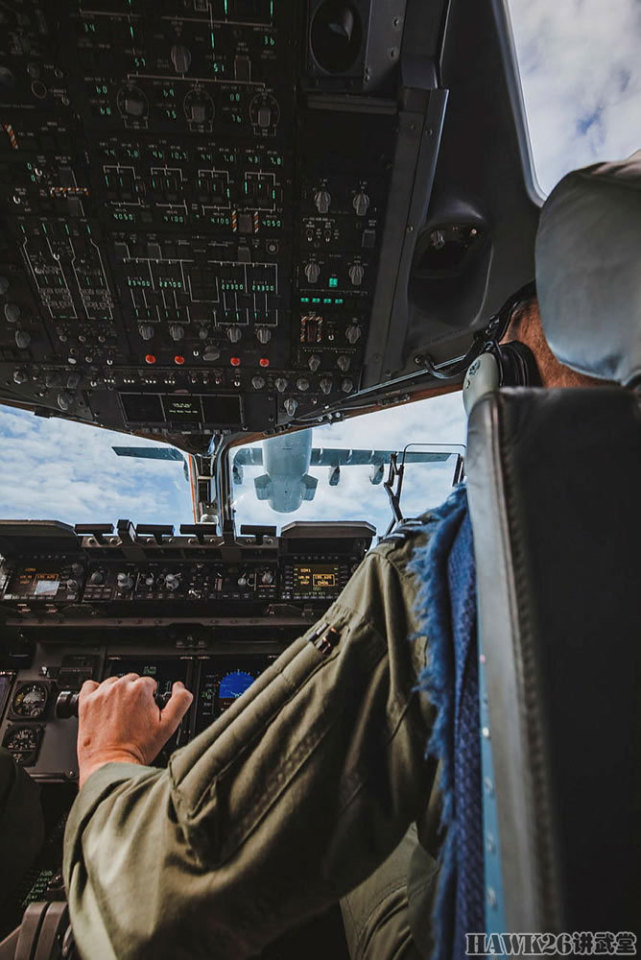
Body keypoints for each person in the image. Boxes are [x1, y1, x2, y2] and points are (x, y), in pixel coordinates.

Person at [63, 295, 603, 960]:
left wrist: (108, 762)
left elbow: (142, 913)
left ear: (499, 387)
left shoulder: (463, 567)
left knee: (357, 822)